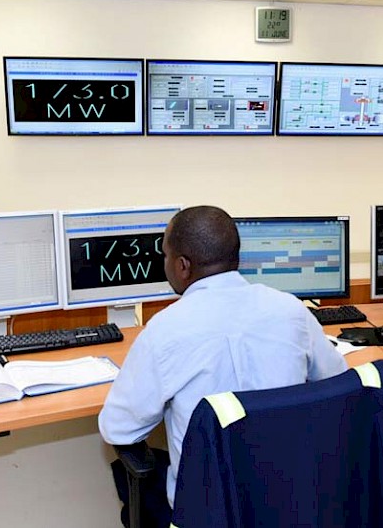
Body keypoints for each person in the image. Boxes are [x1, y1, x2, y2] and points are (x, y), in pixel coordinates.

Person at [99, 205, 347, 526]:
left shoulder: (164, 330)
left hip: (206, 512)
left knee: (135, 471)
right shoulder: (291, 311)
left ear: (182, 266)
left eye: (165, 256)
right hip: (290, 500)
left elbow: (118, 428)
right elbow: (337, 384)